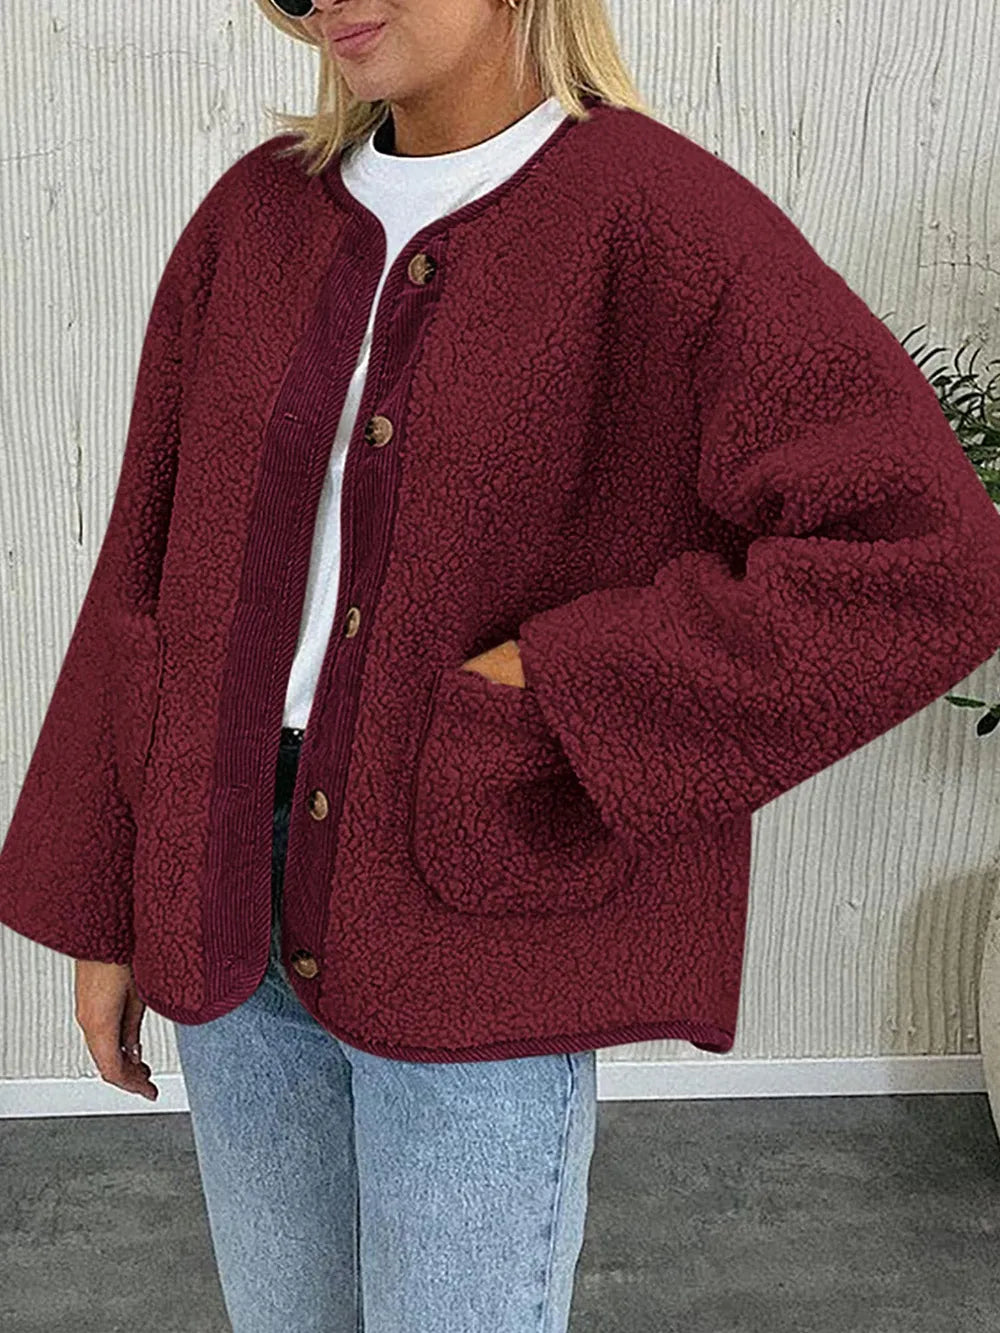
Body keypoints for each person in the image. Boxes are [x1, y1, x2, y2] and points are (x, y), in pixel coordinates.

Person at [5, 0, 1000, 1329]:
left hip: (472, 910)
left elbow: (930, 557)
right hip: (225, 892)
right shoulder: (255, 217)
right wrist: (109, 900)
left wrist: (561, 683)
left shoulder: (661, 221)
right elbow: (148, 560)